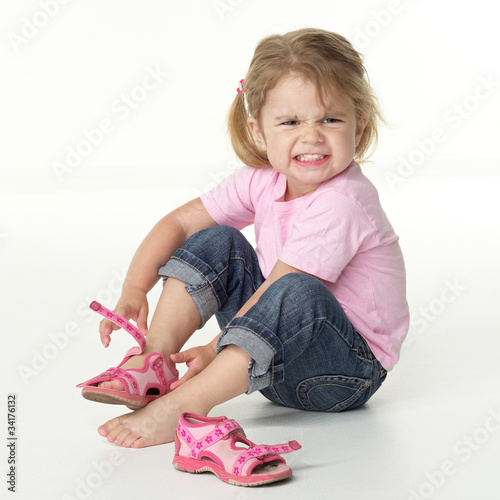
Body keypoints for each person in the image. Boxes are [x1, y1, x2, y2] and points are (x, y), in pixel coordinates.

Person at [78, 28, 409, 452]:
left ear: (358, 125)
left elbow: (281, 289)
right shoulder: (262, 180)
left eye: (330, 119)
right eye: (290, 122)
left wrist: (216, 348)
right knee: (218, 238)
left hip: (343, 375)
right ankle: (154, 362)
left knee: (297, 289)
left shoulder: (343, 200)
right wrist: (133, 288)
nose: (310, 136)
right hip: (268, 363)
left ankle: (182, 405)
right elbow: (180, 223)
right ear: (258, 130)